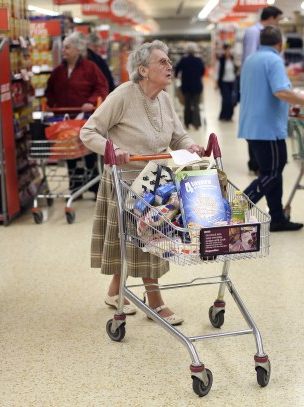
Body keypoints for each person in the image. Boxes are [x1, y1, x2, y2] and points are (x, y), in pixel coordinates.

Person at [80, 40, 204, 326]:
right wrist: (112, 150)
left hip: (157, 182)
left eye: (169, 60)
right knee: (150, 241)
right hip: (127, 182)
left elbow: (177, 136)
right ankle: (156, 302)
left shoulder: (163, 98)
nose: (170, 65)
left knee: (133, 242)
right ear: (143, 70)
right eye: (163, 61)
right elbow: (89, 132)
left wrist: (192, 146)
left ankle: (114, 292)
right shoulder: (123, 96)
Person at [238, 25, 304, 232]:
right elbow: (281, 91)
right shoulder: (274, 60)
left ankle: (277, 218)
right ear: (280, 44)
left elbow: (266, 91)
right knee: (272, 173)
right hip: (267, 128)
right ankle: (235, 210)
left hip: (253, 126)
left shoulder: (251, 60)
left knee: (273, 171)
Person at [45, 32, 109, 196]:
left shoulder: (90, 67)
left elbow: (102, 86)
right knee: (69, 152)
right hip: (65, 119)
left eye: (67, 47)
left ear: (77, 49)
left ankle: (94, 188)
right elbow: (49, 90)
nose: (63, 51)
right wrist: (52, 105)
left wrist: (92, 101)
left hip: (85, 118)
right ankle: (75, 187)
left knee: (88, 151)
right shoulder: (59, 71)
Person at [242, 6, 283, 174]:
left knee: (260, 124)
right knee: (255, 123)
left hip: (266, 83)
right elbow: (250, 58)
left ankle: (260, 163)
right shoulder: (254, 32)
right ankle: (256, 163)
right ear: (271, 17)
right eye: (278, 19)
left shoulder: (268, 34)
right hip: (257, 84)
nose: (278, 23)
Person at [174, 42, 205, 130]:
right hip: (197, 86)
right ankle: (197, 124)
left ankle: (187, 123)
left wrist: (177, 76)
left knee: (187, 105)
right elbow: (202, 72)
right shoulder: (198, 60)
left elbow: (177, 70)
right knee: (196, 105)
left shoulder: (183, 60)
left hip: (186, 86)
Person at [214, 44, 238, 122]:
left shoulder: (233, 60)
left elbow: (235, 71)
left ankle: (230, 116)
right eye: (227, 50)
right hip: (224, 82)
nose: (228, 52)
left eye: (229, 50)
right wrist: (216, 83)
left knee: (232, 100)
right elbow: (217, 72)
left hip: (232, 82)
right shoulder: (220, 60)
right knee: (226, 100)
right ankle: (223, 116)